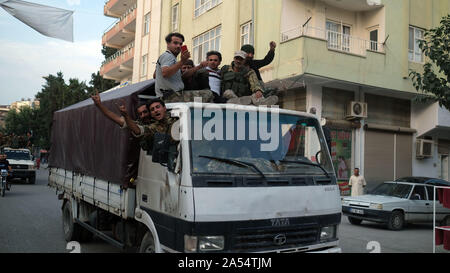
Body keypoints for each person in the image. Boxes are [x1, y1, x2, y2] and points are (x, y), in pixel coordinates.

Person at [156, 32, 213, 103]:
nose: (178, 46)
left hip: (173, 96)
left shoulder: (172, 59)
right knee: (208, 94)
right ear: (168, 44)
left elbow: (182, 76)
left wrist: (199, 66)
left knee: (200, 100)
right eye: (175, 43)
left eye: (180, 44)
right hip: (171, 97)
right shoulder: (168, 56)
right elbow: (165, 73)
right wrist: (182, 61)